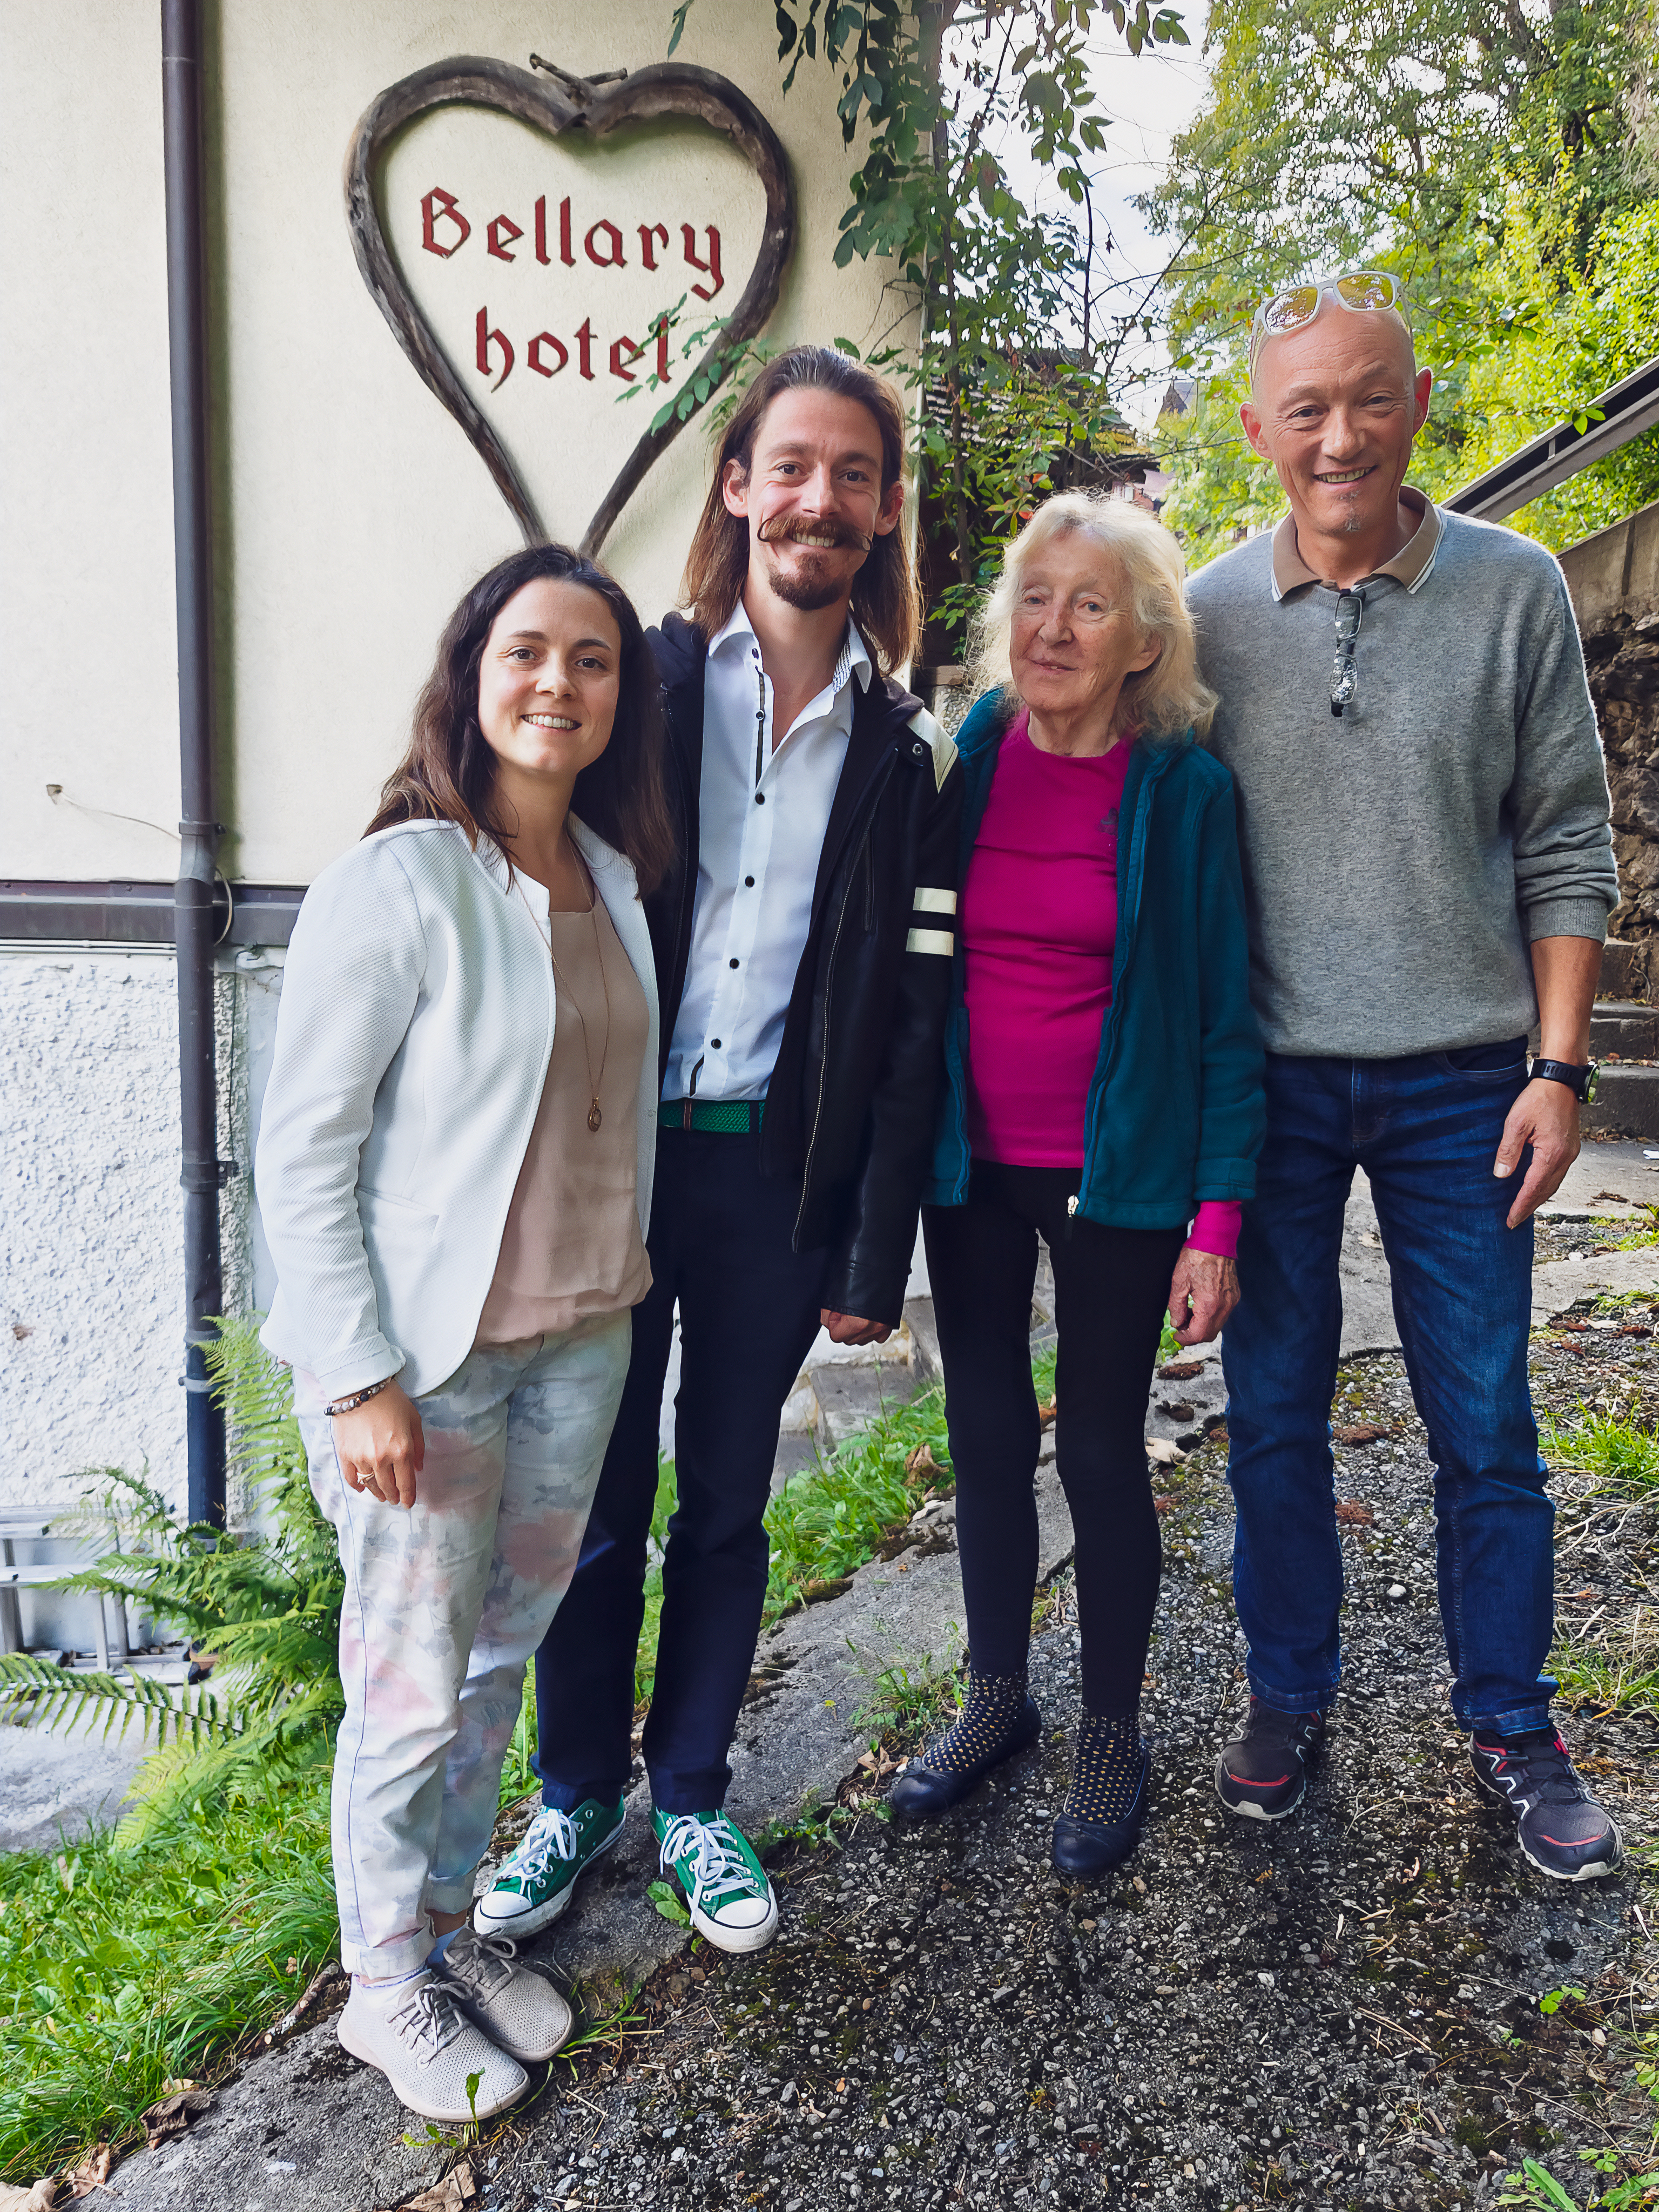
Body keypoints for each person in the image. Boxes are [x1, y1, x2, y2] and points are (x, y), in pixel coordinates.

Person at [475, 346, 962, 1953]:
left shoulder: (905, 750)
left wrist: (867, 1251)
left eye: (854, 476)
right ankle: (572, 1798)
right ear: (740, 484)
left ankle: (692, 1793)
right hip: (613, 1168)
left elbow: (903, 1019)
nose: (820, 500)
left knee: (728, 1505)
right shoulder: (646, 685)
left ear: (884, 515)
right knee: (590, 1500)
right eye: (792, 466)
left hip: (774, 1183)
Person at [1190, 271, 1624, 1880]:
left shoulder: (1514, 594)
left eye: (1371, 397)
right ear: (1258, 432)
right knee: (1273, 1415)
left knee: (1487, 1416)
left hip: (1466, 1082)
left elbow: (1569, 844)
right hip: (1279, 1090)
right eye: (1306, 408)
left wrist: (1560, 1067)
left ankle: (1512, 1719)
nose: (1341, 436)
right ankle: (1288, 1692)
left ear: (1420, 406)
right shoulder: (1211, 615)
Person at [255, 543, 672, 2118]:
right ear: (472, 671)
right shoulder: (403, 875)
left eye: (592, 660)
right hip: (426, 1366)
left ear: (621, 698)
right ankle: (380, 1991)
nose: (557, 683)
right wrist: (354, 1372)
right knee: (411, 1680)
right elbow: (305, 1147)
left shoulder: (612, 878)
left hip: (580, 1342)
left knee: (498, 1660)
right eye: (527, 652)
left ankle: (440, 1933)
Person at [882, 494, 1266, 1874]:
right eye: (1034, 599)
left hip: (1125, 1175)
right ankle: (997, 1694)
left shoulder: (1187, 795)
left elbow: (1228, 1019)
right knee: (985, 1426)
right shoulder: (970, 754)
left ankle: (1114, 1728)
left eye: (1089, 604)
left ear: (1145, 642)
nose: (1052, 627)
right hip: (970, 1161)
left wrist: (1216, 1219)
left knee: (1099, 1448)